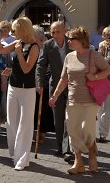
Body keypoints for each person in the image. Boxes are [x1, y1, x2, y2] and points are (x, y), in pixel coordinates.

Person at [49, 26, 110, 174]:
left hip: (90, 100)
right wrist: (55, 96)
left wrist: (95, 77)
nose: (68, 41)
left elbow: (108, 70)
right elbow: (64, 79)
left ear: (81, 40)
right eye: (68, 38)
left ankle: (91, 155)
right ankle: (78, 162)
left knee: (86, 130)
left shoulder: (94, 55)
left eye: (71, 39)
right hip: (72, 100)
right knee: (72, 130)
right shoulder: (69, 57)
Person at [0, 17, 40, 171]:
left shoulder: (34, 46)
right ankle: (15, 153)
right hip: (13, 86)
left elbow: (27, 69)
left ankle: (23, 158)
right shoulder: (17, 43)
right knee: (11, 121)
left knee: (25, 124)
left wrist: (19, 52)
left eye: (15, 30)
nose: (13, 32)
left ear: (23, 29)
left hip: (27, 89)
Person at [36, 21, 72, 160]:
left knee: (69, 118)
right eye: (52, 32)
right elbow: (41, 65)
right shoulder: (47, 45)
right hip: (55, 85)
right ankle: (60, 147)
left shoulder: (72, 43)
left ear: (64, 30)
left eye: (57, 31)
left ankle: (67, 149)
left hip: (72, 86)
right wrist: (39, 83)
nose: (55, 34)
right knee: (58, 118)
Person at [32, 25, 53, 145]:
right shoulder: (29, 48)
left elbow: (48, 67)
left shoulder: (46, 49)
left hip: (42, 84)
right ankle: (35, 132)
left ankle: (42, 133)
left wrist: (41, 82)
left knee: (43, 110)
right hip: (30, 84)